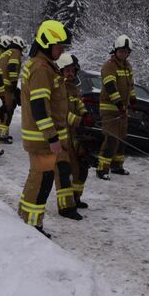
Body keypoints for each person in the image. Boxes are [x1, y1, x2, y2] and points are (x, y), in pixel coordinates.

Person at [19, 20, 80, 238]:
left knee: (37, 177)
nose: (61, 50)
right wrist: (52, 137)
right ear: (46, 43)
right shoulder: (41, 69)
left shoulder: (42, 65)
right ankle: (32, 225)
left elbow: (54, 106)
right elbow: (39, 106)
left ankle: (24, 217)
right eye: (59, 46)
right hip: (42, 138)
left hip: (42, 137)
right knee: (42, 180)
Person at [56, 53, 93, 209]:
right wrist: (79, 121)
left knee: (81, 168)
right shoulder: (58, 88)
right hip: (63, 136)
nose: (70, 73)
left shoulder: (73, 88)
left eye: (73, 70)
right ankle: (66, 204)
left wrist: (85, 114)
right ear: (61, 70)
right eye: (67, 70)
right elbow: (61, 113)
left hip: (75, 136)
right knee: (67, 170)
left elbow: (79, 104)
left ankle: (76, 198)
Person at [96, 35, 136, 180]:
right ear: (115, 51)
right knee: (111, 139)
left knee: (122, 139)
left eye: (126, 52)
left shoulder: (128, 66)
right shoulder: (109, 66)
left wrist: (133, 99)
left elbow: (130, 85)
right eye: (121, 51)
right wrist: (119, 103)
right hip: (110, 109)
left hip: (122, 110)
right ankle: (102, 168)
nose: (123, 54)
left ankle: (117, 166)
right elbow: (110, 86)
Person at [0, 35, 25, 144]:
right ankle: (3, 134)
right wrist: (13, 85)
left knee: (2, 109)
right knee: (8, 109)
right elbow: (12, 67)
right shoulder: (15, 52)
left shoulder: (5, 53)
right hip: (7, 86)